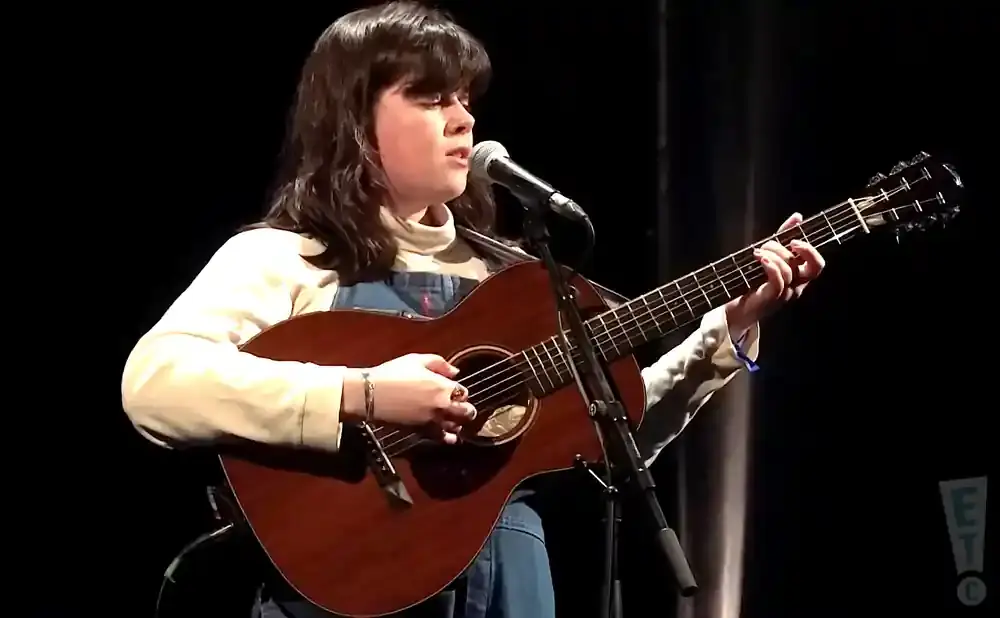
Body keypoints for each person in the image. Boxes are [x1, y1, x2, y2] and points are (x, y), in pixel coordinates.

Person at [120, 2, 825, 617]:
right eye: (432, 98)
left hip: (511, 585)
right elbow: (156, 384)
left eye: (464, 98)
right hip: (350, 585)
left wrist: (728, 329)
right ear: (354, 120)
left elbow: (612, 436)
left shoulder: (509, 277)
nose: (464, 118)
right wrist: (364, 394)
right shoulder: (290, 256)